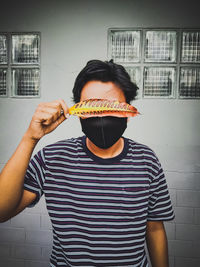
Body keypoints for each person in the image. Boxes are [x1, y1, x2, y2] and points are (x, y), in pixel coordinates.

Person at [0, 59, 174, 267]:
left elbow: (154, 228)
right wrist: (31, 138)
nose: (101, 116)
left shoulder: (147, 160)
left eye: (109, 106)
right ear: (79, 112)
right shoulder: (52, 158)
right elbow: (2, 212)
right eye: (92, 106)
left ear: (127, 113)